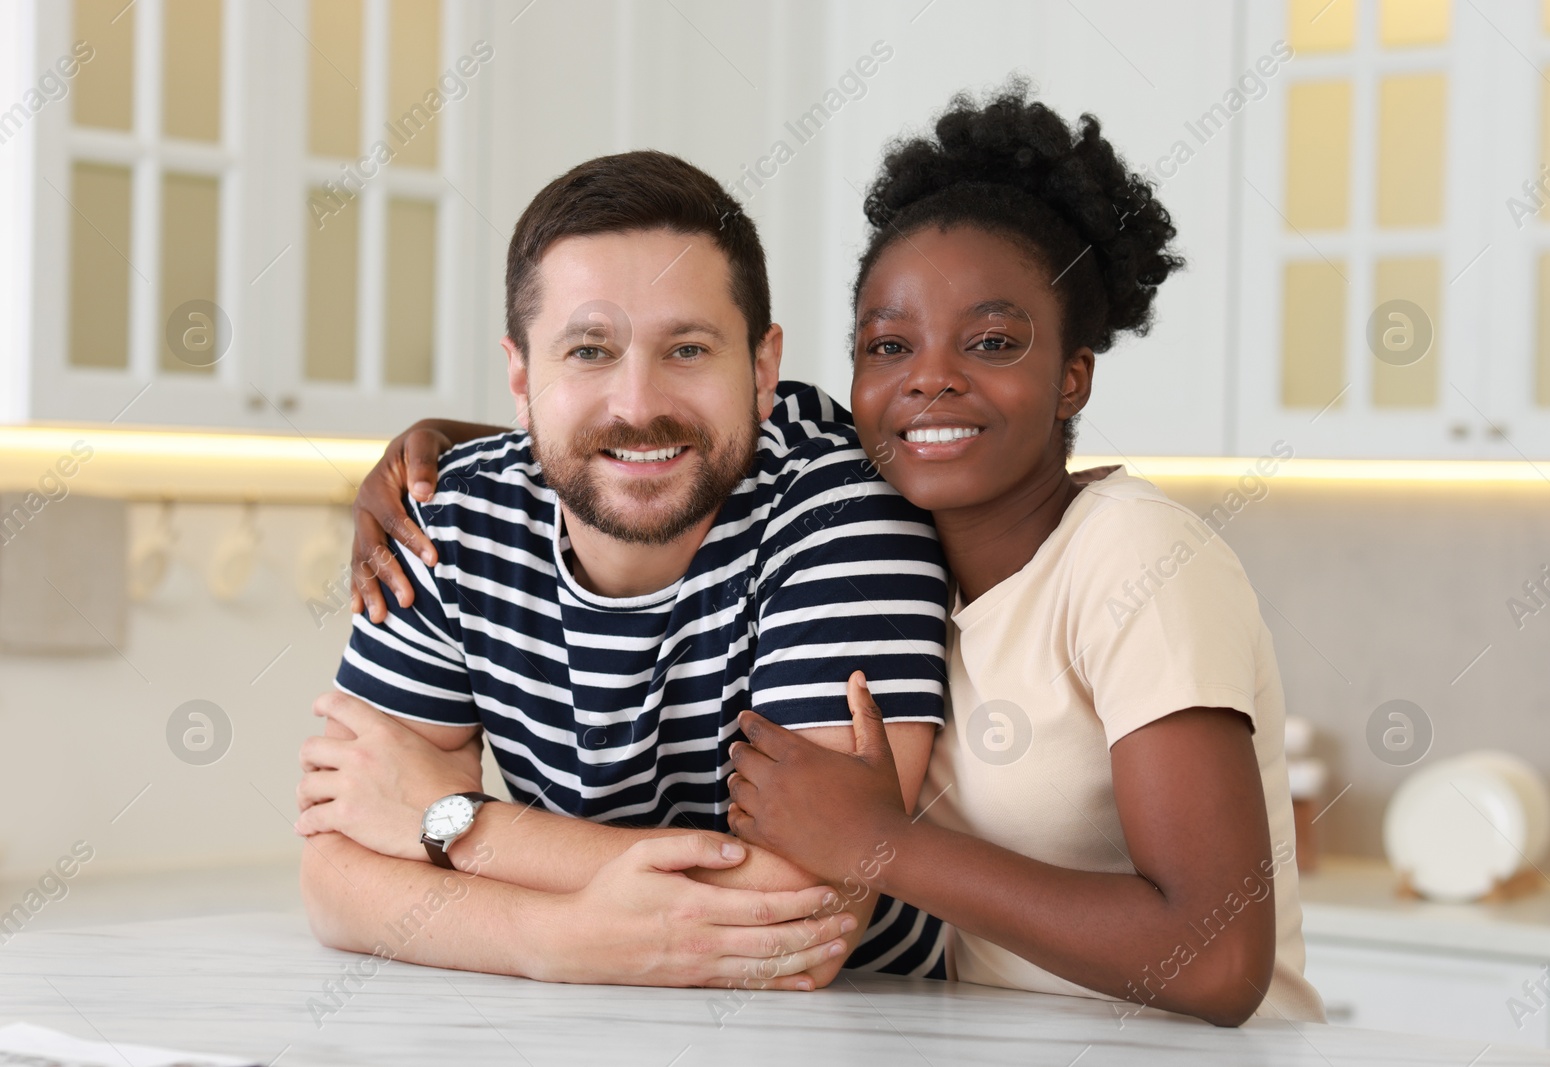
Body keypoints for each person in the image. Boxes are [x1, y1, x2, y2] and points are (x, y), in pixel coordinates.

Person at [342, 82, 1325, 1026]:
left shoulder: (1135, 557)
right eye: (887, 347)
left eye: (991, 343)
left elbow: (1217, 957)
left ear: (1073, 376)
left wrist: (883, 845)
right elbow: (669, 424)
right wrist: (459, 441)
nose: (929, 381)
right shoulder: (893, 513)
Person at [294, 149, 952, 990]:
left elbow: (806, 899)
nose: (638, 406)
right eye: (590, 351)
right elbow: (334, 875)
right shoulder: (449, 516)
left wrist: (448, 824)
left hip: (859, 1024)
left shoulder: (842, 511)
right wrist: (548, 939)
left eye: (686, 349)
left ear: (760, 368)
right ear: (521, 377)